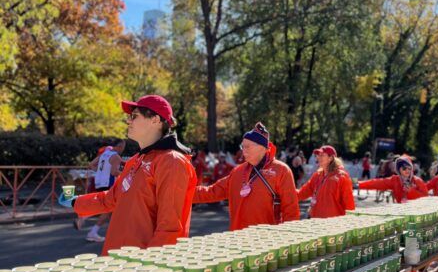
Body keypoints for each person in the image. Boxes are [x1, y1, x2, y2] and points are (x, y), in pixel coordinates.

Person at [59, 95, 197, 254]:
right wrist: (75, 202)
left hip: (140, 268)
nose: (128, 121)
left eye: (134, 116)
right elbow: (110, 199)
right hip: (116, 260)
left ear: (155, 120)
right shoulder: (135, 160)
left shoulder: (171, 162)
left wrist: (151, 268)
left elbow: (170, 227)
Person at [193, 122, 300, 230]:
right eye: (242, 146)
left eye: (248, 146)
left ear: (263, 148)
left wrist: (288, 239)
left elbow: (290, 209)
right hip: (238, 238)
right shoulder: (238, 171)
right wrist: (181, 192)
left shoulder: (281, 171)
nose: (243, 150)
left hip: (267, 240)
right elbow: (212, 192)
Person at [79, 139, 126, 242]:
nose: (123, 149)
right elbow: (114, 172)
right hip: (108, 184)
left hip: (99, 183)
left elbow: (91, 164)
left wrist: (100, 172)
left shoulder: (105, 154)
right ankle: (92, 231)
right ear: (119, 146)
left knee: (106, 207)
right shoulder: (116, 157)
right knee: (109, 209)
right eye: (123, 147)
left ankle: (86, 219)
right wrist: (125, 173)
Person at [297, 145, 355, 218]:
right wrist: (285, 193)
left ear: (330, 158)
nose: (318, 157)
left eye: (322, 155)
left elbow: (349, 204)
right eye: (318, 155)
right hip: (315, 221)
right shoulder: (317, 175)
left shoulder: (341, 176)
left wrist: (349, 222)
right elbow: (302, 193)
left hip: (333, 224)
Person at [358, 155, 428, 203]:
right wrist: (359, 185)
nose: (407, 170)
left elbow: (426, 199)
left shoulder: (418, 181)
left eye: (409, 168)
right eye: (404, 168)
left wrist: (411, 191)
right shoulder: (394, 180)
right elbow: (377, 183)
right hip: (401, 212)